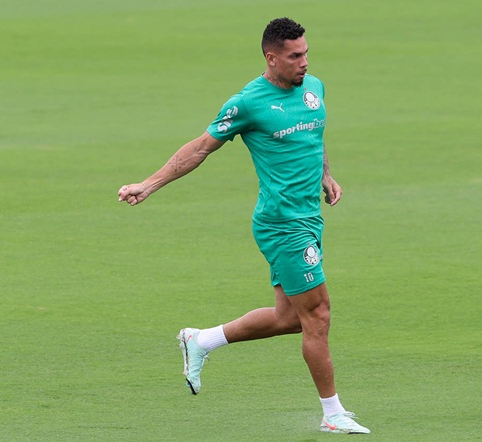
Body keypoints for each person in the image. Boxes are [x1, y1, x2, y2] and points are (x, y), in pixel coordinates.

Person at [117, 17, 369, 435]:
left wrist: (325, 175)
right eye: (294, 56)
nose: (304, 62)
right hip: (282, 224)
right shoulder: (248, 103)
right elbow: (200, 148)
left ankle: (201, 340)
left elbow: (314, 135)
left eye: (306, 53)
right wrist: (149, 184)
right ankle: (333, 413)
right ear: (271, 58)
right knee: (318, 315)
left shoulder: (314, 88)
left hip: (309, 216)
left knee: (290, 318)